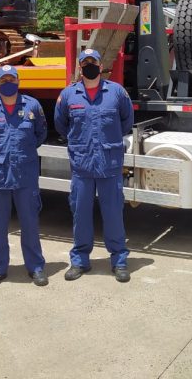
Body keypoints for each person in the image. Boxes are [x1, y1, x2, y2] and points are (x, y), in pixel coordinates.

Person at [54, 48, 134, 283]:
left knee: (113, 215)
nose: (90, 66)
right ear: (80, 67)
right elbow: (61, 125)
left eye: (94, 62)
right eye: (85, 62)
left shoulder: (116, 93)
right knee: (80, 214)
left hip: (109, 165)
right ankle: (79, 261)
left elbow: (127, 121)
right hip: (82, 165)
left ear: (101, 66)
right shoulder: (69, 95)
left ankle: (119, 261)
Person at [0, 65, 48, 289]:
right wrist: (0, 156)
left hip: (25, 174)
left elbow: (40, 134)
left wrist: (21, 153)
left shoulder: (32, 106)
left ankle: (35, 268)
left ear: (18, 81)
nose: (8, 82)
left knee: (30, 224)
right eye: (3, 79)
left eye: (11, 78)